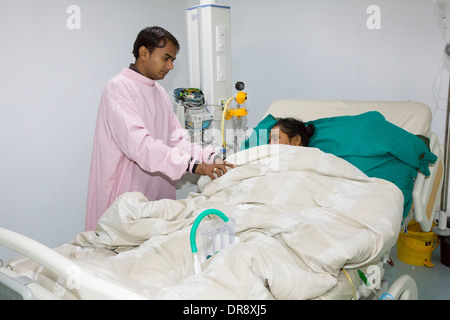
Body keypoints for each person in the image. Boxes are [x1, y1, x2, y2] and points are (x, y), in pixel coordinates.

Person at [85, 26, 233, 231]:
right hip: (125, 194)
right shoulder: (118, 88)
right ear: (144, 53)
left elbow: (177, 140)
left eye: (173, 60)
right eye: (166, 58)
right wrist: (193, 166)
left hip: (156, 194)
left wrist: (209, 156)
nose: (170, 66)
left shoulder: (161, 93)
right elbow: (139, 145)